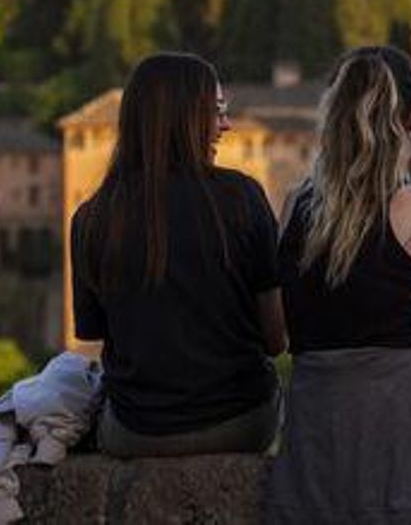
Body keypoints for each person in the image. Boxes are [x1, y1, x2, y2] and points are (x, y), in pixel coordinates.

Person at [265, 47, 411, 525]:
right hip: (394, 469)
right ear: (410, 118)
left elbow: (279, 333)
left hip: (308, 465)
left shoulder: (295, 208)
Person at [70, 52, 286, 458]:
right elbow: (275, 340)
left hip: (135, 432)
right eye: (216, 111)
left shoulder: (92, 217)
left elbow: (94, 335)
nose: (226, 125)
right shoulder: (242, 197)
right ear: (184, 118)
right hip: (241, 424)